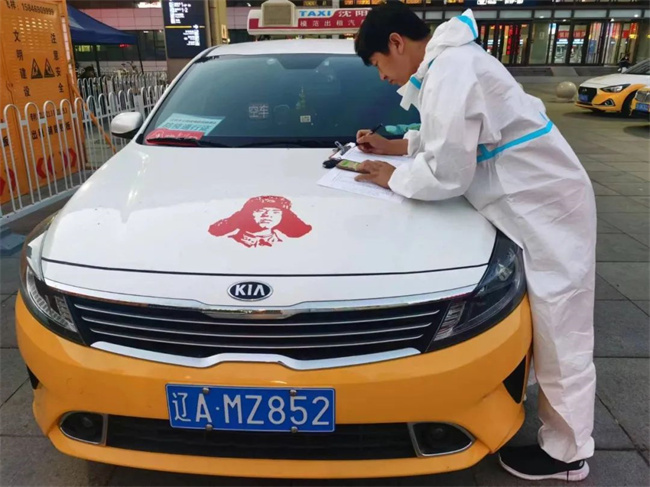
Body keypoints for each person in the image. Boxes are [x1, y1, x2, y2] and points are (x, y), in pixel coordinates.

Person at [353, 3, 596, 482]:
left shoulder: (453, 69)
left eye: (378, 63)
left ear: (397, 43)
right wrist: (394, 146)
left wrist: (390, 177)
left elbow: (448, 171)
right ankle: (555, 432)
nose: (381, 77)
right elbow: (450, 135)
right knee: (548, 322)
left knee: (561, 325)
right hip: (535, 204)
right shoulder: (451, 64)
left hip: (549, 208)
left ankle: (568, 454)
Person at [208, 195, 312, 248]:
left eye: (275, 212)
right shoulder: (227, 242)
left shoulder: (289, 246)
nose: (267, 215)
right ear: (249, 214)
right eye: (260, 211)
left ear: (282, 217)